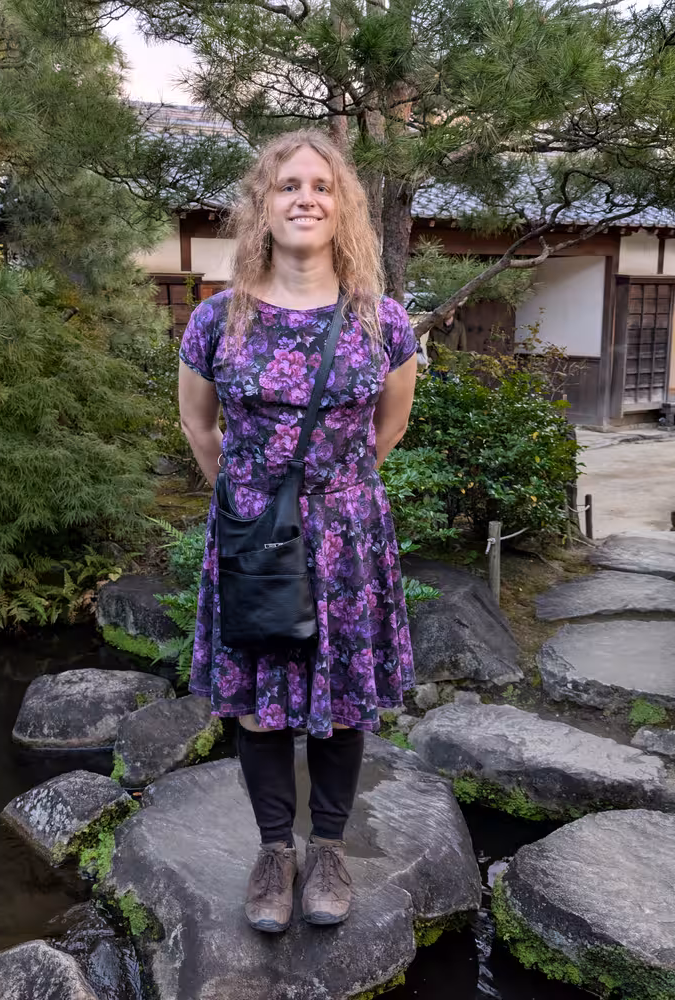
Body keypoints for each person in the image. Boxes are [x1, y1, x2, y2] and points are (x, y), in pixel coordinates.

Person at [177, 129, 419, 933]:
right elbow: (198, 425)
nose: (305, 197)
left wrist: (329, 499)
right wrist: (258, 511)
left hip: (349, 537)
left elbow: (389, 426)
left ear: (342, 205)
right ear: (263, 205)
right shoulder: (218, 320)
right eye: (288, 185)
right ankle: (275, 851)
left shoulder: (381, 321)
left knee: (342, 702)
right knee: (257, 701)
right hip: (254, 536)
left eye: (321, 185)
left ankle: (332, 850)